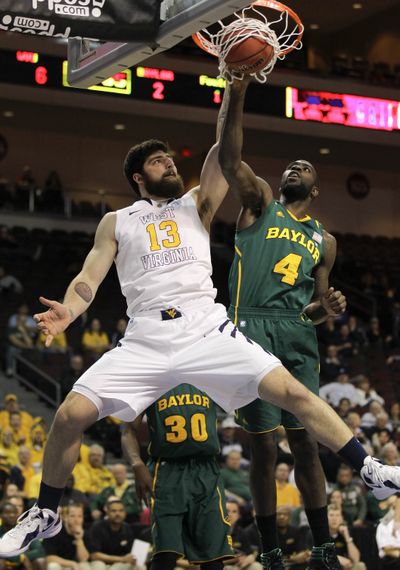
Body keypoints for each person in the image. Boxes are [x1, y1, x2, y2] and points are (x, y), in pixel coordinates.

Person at [1, 85, 400, 560]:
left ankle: (370, 468)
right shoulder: (117, 221)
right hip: (146, 337)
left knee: (295, 393)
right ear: (137, 177)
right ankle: (45, 513)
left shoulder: (198, 203)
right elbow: (89, 276)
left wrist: (235, 85)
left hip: (205, 328)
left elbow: (226, 150)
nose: (169, 163)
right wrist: (71, 309)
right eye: (157, 162)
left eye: (169, 158)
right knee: (68, 417)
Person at [218, 75, 347, 569]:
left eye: (304, 167)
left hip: (296, 332)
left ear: (315, 187)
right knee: (263, 449)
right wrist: (238, 92)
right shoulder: (261, 203)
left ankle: (323, 547)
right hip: (249, 329)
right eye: (290, 165)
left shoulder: (325, 241)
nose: (294, 168)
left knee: (306, 444)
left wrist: (327, 309)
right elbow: (230, 160)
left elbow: (313, 309)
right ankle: (269, 549)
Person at [123, 383, 234, 570]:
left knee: (213, 558)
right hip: (167, 469)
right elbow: (128, 431)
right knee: (166, 554)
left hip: (205, 469)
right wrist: (137, 463)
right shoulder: (152, 382)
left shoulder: (208, 376)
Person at [88, 499, 145, 570]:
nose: (118, 514)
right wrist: (122, 559)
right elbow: (94, 555)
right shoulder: (97, 527)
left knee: (140, 566)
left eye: (121, 511)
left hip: (119, 563)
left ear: (125, 513)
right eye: (114, 511)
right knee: (99, 566)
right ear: (107, 513)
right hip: (101, 562)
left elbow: (130, 553)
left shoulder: (127, 528)